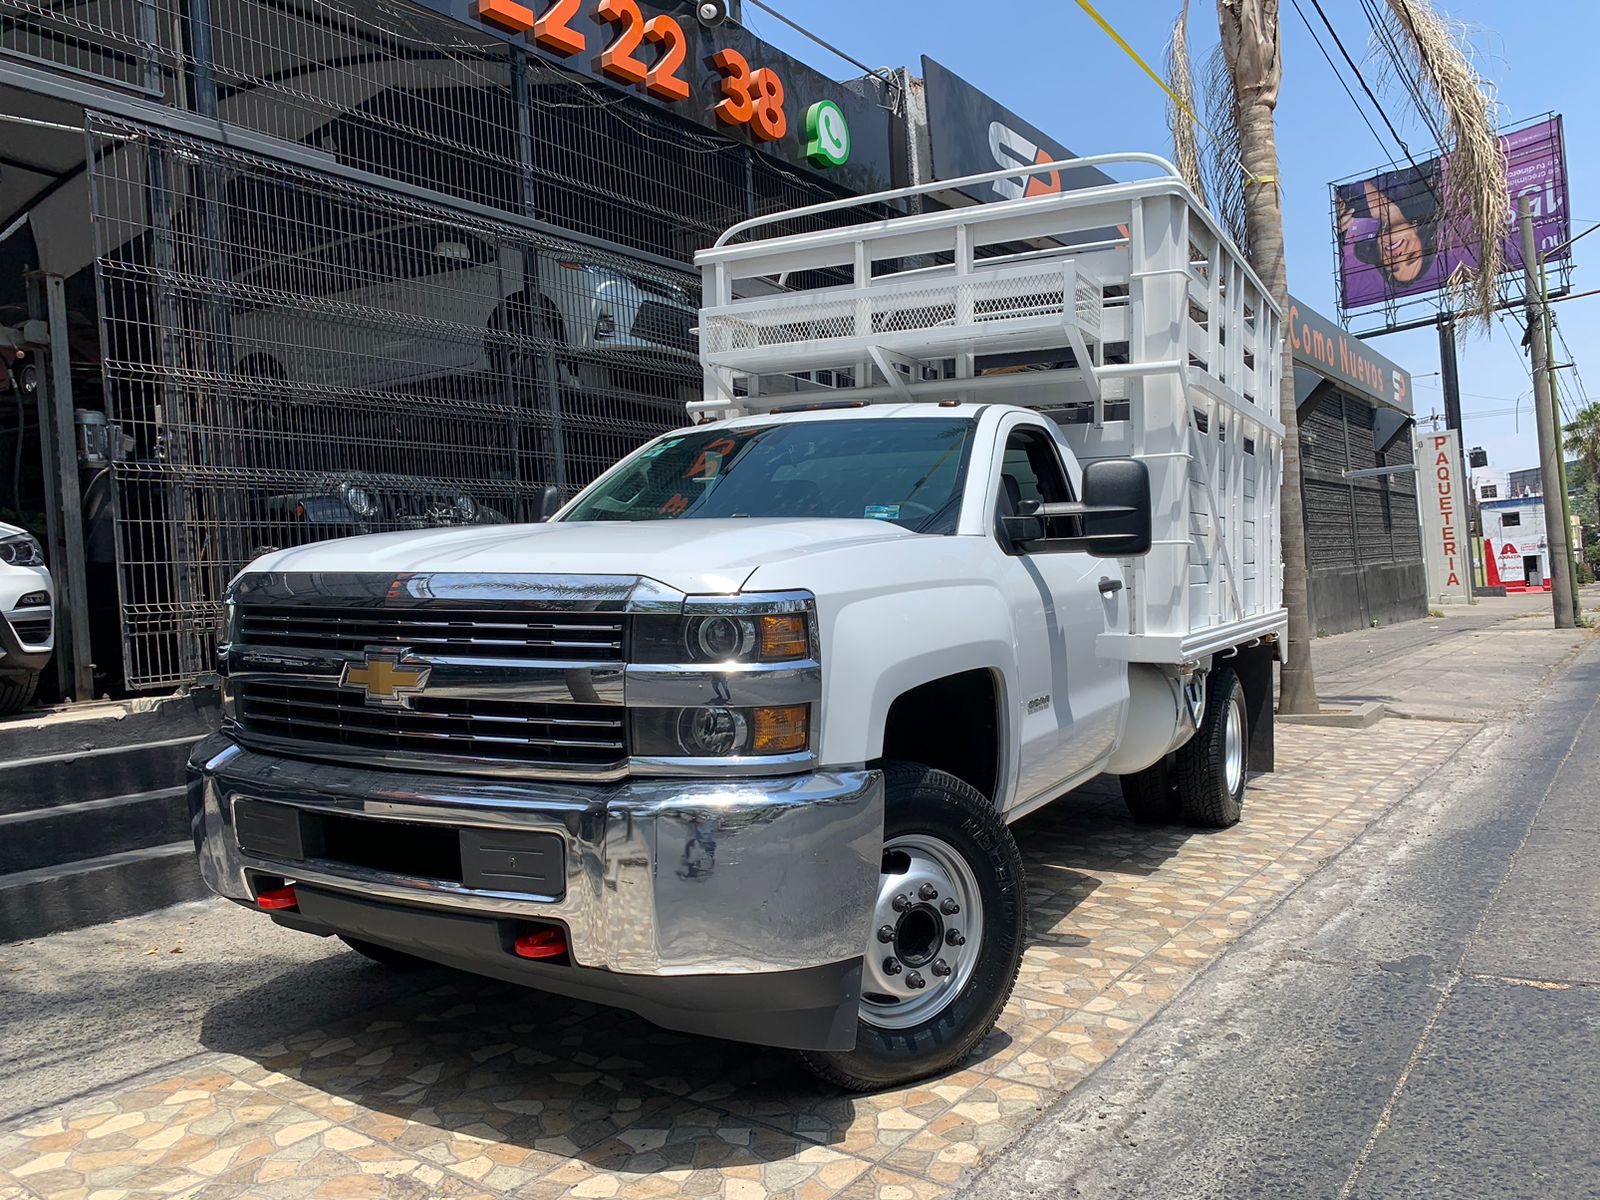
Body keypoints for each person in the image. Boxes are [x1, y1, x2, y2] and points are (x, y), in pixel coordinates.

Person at [1336, 161, 1445, 298]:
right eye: (1412, 256)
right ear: (1420, 237)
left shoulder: (1350, 223)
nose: (1398, 257)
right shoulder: (1419, 178)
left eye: (1392, 266)